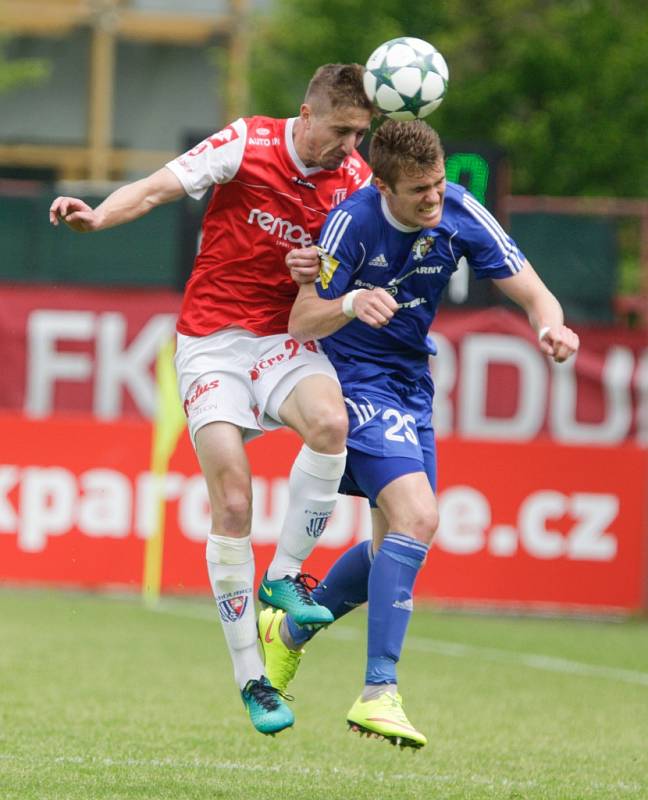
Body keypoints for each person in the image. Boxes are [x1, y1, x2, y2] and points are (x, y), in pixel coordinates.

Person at [49, 64, 374, 736]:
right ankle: (254, 680)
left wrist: (325, 274)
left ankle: (285, 581)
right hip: (212, 343)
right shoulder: (248, 143)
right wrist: (98, 214)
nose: (350, 146)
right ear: (307, 113)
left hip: (283, 340)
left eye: (360, 134)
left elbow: (364, 263)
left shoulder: (356, 182)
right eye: (342, 131)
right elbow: (159, 188)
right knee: (232, 500)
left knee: (329, 421)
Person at [258, 119, 580, 749]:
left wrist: (551, 326)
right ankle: (379, 691)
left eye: (437, 185)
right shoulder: (353, 223)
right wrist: (351, 303)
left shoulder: (459, 208)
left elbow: (533, 289)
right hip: (352, 377)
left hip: (410, 384)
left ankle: (288, 635)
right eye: (419, 191)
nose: (433, 198)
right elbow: (302, 318)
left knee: (393, 547)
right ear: (383, 187)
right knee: (418, 517)